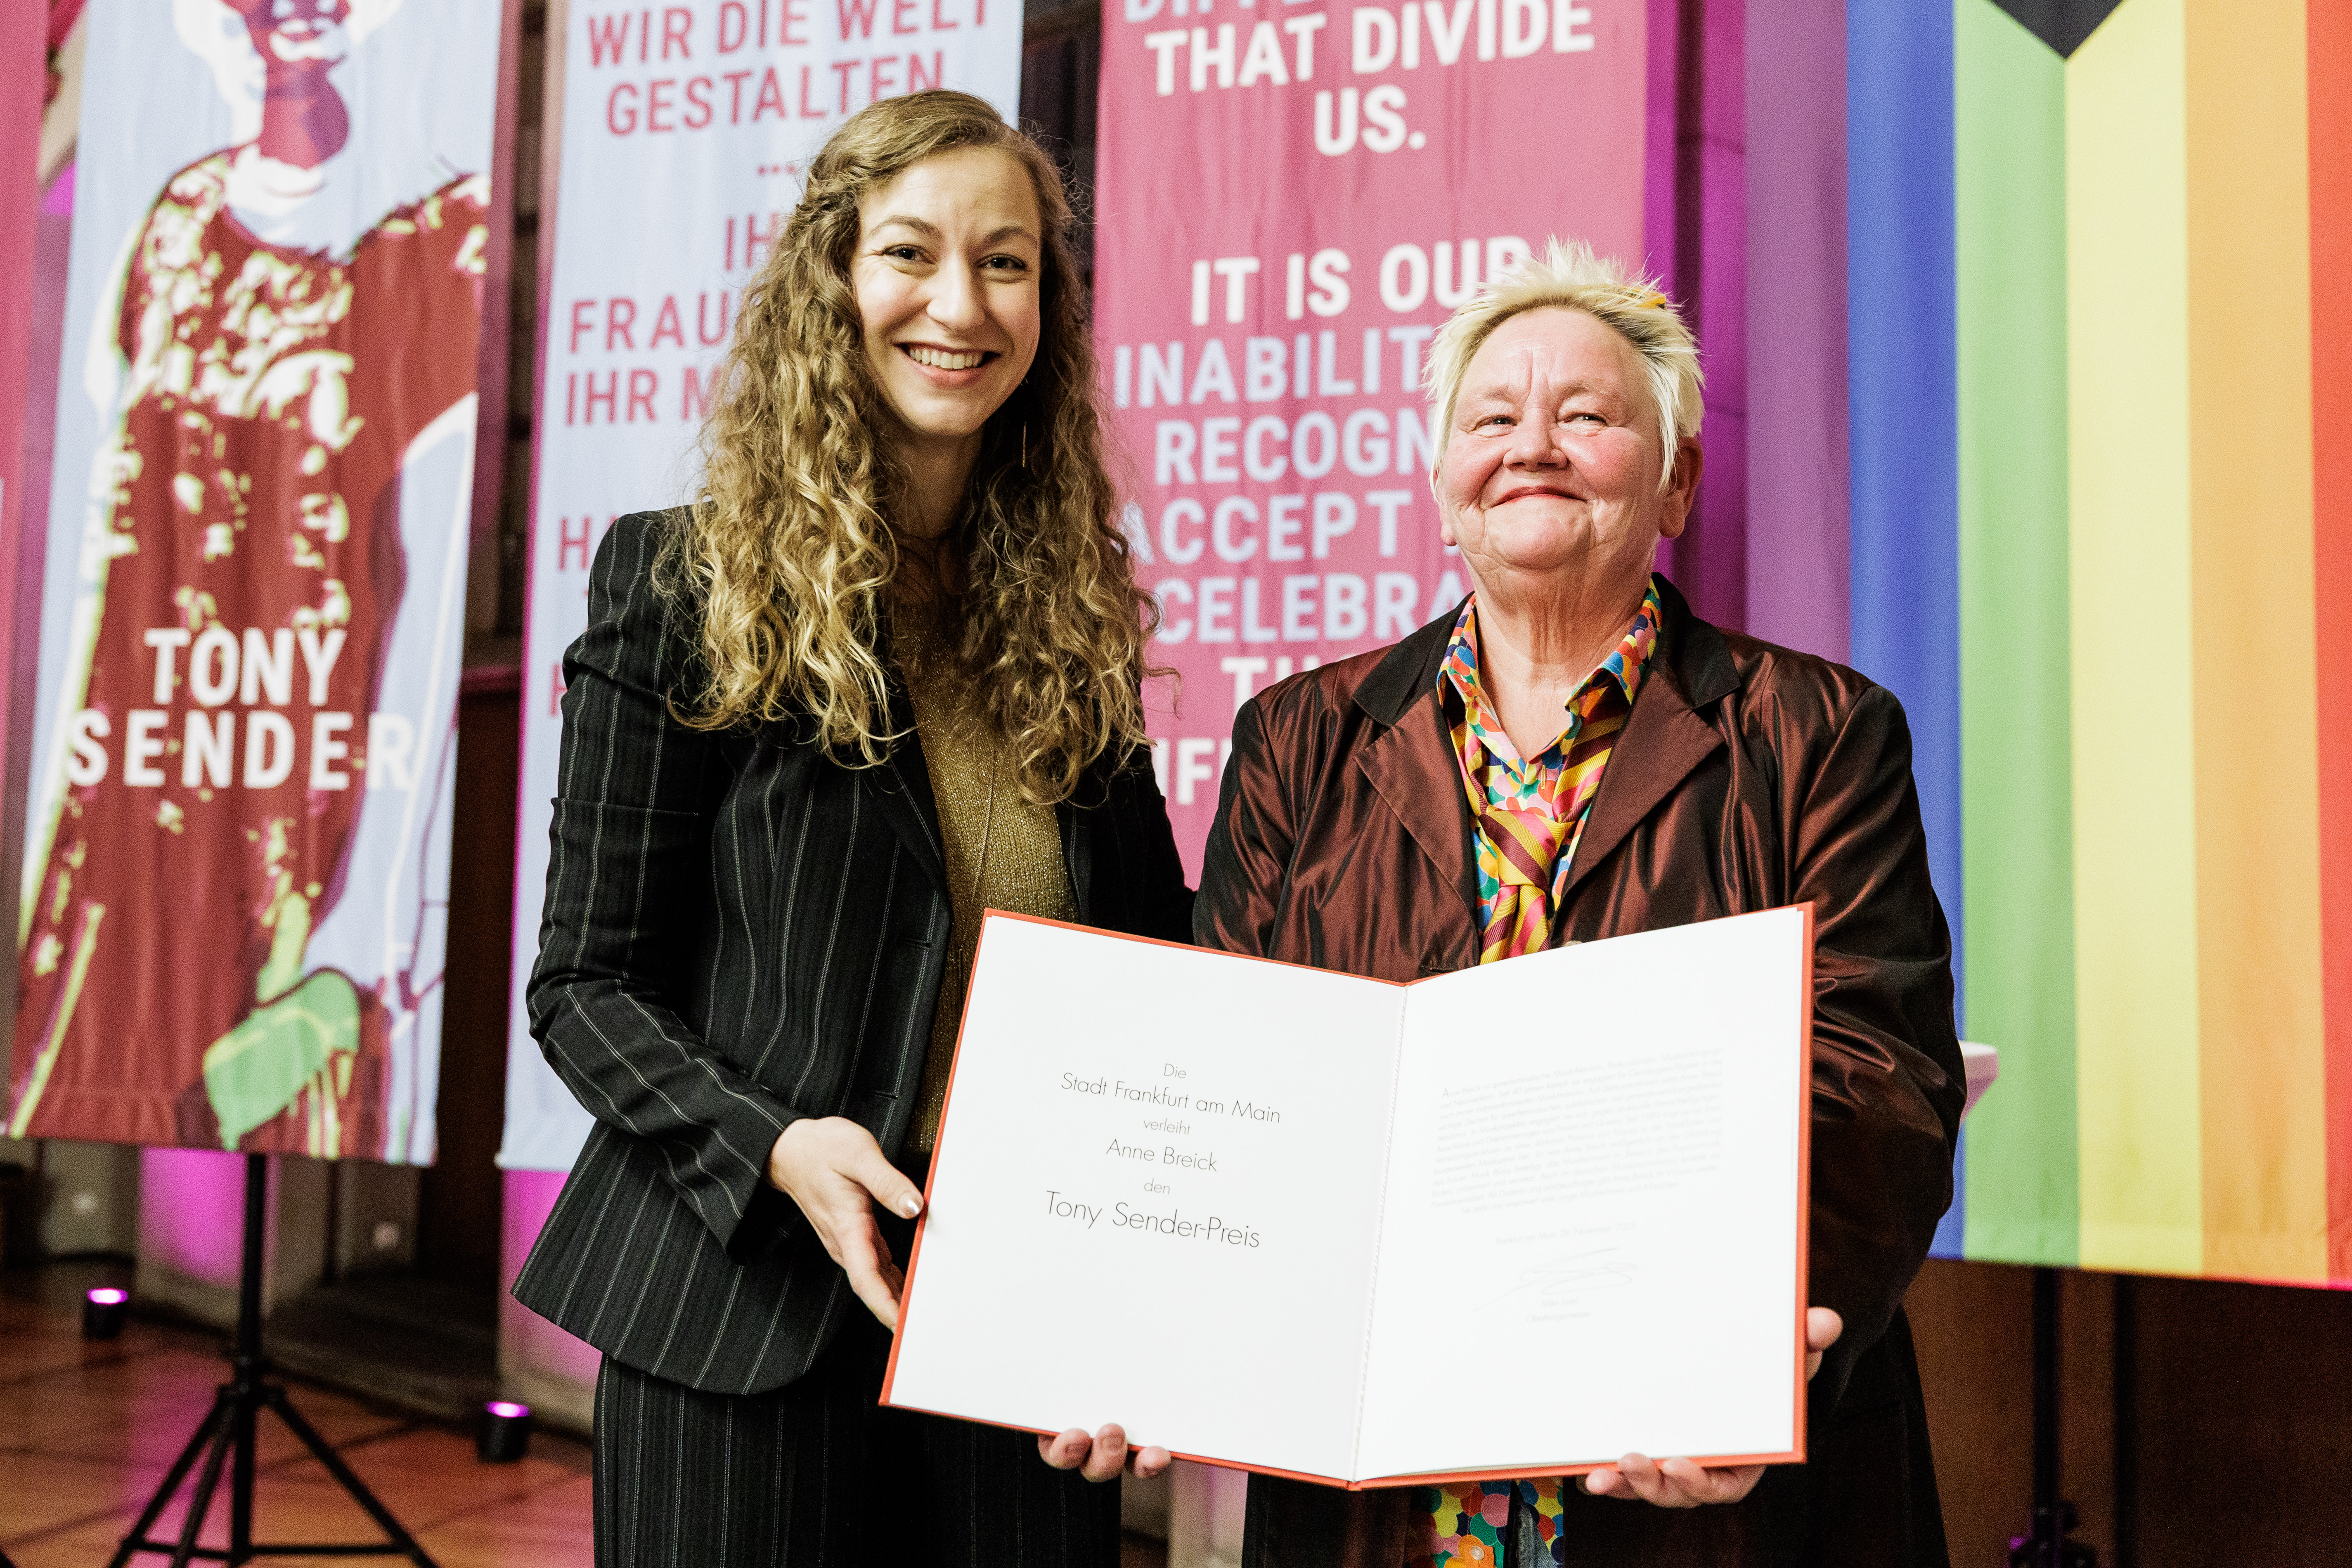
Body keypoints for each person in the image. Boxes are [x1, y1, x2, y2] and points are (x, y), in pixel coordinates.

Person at [1196, 240, 1963, 1567]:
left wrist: (1750, 1358)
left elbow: (1878, 1070)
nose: (1531, 447)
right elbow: (1237, 1081)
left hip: (1691, 1469)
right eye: (1491, 419)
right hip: (1377, 1484)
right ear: (1443, 485)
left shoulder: (1818, 731)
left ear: (1676, 482)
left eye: (1588, 417)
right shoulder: (1294, 739)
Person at [512, 92, 1193, 1567]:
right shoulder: (681, 584)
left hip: (1017, 1318)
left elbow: (1152, 974)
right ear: (833, 281)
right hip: (740, 1309)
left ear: (1048, 306)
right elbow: (582, 986)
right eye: (910, 253)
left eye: (1006, 263)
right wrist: (773, 1147)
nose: (960, 305)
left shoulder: (1070, 619)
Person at [9, 0, 484, 1159]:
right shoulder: (173, 218)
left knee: (269, 1074)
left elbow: (424, 582)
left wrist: (373, 904)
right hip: (137, 770)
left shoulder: (440, 232)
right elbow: (105, 535)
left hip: (306, 775)